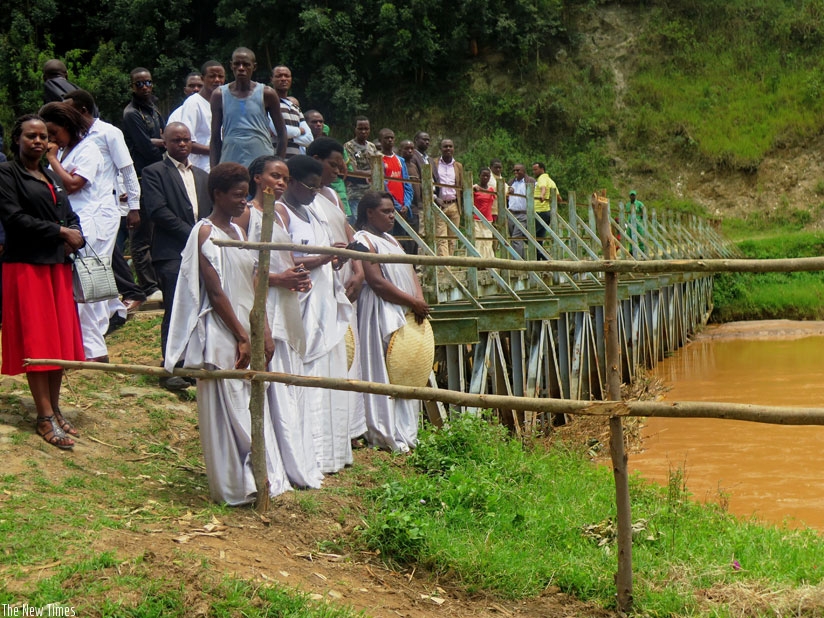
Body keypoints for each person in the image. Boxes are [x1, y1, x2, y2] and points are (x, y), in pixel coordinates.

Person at [164, 162, 291, 505]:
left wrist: (262, 329)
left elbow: (252, 284)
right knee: (228, 409)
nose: (242, 201)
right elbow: (216, 291)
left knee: (249, 404)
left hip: (245, 327)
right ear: (217, 194)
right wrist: (241, 335)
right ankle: (235, 486)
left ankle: (256, 478)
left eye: (244, 195)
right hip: (222, 332)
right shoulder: (205, 233)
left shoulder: (238, 233)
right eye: (236, 195)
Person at [0, 115, 86, 449]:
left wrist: (75, 231)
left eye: (44, 136)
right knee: (39, 341)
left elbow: (66, 212)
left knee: (58, 341)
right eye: (31, 136)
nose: (38, 141)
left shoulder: (50, 175)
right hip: (26, 266)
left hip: (56, 265)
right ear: (17, 139)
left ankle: (55, 407)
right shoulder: (7, 174)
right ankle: (44, 415)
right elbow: (14, 217)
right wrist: (59, 232)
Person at [243, 155, 322, 489]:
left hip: (286, 301)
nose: (280, 183)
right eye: (275, 176)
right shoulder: (247, 213)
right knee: (269, 378)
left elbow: (287, 257)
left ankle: (295, 457)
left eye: (285, 178)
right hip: (264, 302)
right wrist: (279, 279)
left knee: (288, 378)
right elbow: (246, 268)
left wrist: (298, 277)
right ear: (258, 177)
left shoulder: (280, 213)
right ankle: (270, 459)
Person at [278, 155, 354, 474]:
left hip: (323, 299)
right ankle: (307, 450)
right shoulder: (280, 212)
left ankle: (330, 450)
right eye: (310, 186)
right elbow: (282, 260)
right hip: (298, 302)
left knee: (329, 371)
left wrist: (332, 257)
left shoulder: (313, 210)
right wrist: (323, 257)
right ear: (292, 182)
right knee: (305, 371)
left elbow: (319, 252)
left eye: (319, 187)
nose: (314, 192)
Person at [354, 191, 430, 453]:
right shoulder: (362, 241)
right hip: (380, 309)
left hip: (405, 310)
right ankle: (384, 430)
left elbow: (410, 271)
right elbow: (376, 282)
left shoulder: (391, 240)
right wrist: (412, 302)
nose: (391, 216)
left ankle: (407, 430)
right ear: (369, 213)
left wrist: (417, 300)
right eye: (386, 211)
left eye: (392, 211)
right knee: (383, 366)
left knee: (405, 366)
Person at [40, 102, 116, 363]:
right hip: (74, 224)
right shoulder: (65, 153)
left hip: (91, 224)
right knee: (78, 288)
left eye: (53, 132)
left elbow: (72, 184)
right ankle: (84, 347)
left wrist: (50, 160)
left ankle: (95, 351)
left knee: (88, 286)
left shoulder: (89, 150)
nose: (50, 139)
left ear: (69, 127)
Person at [141, 123, 212, 391]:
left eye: (186, 140)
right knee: (175, 308)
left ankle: (192, 364)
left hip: (202, 252)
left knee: (199, 306)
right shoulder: (154, 172)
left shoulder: (204, 176)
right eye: (176, 140)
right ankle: (170, 365)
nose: (182, 144)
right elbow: (157, 211)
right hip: (172, 251)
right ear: (165, 143)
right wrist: (195, 234)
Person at [306, 137, 367, 444]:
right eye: (332, 164)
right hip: (319, 278)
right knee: (326, 344)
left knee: (348, 343)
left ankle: (350, 426)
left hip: (344, 276)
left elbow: (347, 233)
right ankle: (323, 426)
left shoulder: (332, 196)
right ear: (314, 158)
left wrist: (358, 271)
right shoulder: (298, 200)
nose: (338, 171)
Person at [62, 89, 144, 318]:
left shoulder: (108, 133)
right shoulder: (73, 138)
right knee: (95, 265)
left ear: (82, 110)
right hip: (81, 209)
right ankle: (112, 311)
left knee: (96, 264)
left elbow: (127, 170)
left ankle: (102, 318)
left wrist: (134, 207)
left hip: (105, 209)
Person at [123, 67, 164, 301]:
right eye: (139, 84)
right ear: (132, 86)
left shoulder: (154, 109)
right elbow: (146, 147)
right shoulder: (131, 113)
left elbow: (161, 135)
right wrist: (163, 142)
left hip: (155, 174)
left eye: (148, 82)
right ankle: (148, 287)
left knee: (156, 231)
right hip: (139, 177)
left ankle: (158, 281)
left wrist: (161, 140)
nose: (145, 87)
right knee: (140, 235)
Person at [210, 47, 286, 168]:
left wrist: (278, 165)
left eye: (246, 65)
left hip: (261, 163)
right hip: (230, 161)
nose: (241, 68)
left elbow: (282, 133)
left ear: (254, 67)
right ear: (231, 66)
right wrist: (213, 171)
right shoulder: (219, 95)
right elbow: (215, 138)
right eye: (237, 64)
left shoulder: (267, 94)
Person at [178, 61, 225, 173]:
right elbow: (188, 143)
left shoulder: (226, 101)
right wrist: (216, 150)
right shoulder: (193, 103)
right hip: (202, 167)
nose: (217, 80)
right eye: (212, 76)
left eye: (220, 76)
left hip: (224, 163)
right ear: (203, 79)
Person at [377, 129, 415, 253]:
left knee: (402, 240)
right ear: (380, 141)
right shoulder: (379, 160)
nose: (389, 140)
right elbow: (383, 186)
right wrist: (396, 205)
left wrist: (406, 204)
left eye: (392, 138)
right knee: (388, 238)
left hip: (403, 208)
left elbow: (407, 184)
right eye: (386, 138)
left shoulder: (400, 160)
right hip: (389, 207)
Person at [271, 66, 312, 158]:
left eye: (287, 76)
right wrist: (299, 131)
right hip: (273, 159)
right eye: (279, 76)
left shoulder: (295, 107)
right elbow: (276, 130)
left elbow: (309, 139)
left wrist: (288, 138)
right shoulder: (268, 103)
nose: (283, 79)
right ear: (271, 79)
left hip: (294, 162)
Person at [432, 138, 464, 256]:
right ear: (441, 149)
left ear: (453, 148)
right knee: (441, 237)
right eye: (445, 146)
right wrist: (434, 197)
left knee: (452, 239)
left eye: (450, 146)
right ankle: (444, 268)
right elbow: (430, 181)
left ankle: (450, 265)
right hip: (440, 205)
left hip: (454, 205)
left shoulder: (458, 166)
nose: (448, 149)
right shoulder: (434, 163)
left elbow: (462, 185)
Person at [343, 116, 378, 214]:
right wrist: (373, 173)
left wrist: (375, 172)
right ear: (355, 129)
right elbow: (352, 170)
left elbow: (379, 167)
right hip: (355, 194)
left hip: (371, 193)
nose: (363, 132)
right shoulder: (348, 146)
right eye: (360, 129)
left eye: (366, 129)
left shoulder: (372, 146)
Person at [507, 164, 535, 258]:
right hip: (511, 213)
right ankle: (521, 260)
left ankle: (517, 262)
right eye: (514, 170)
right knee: (514, 238)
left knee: (516, 237)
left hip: (523, 214)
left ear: (523, 171)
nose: (516, 172)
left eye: (518, 170)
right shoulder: (511, 182)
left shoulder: (530, 181)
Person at [532, 162, 558, 258]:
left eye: (536, 169)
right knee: (539, 238)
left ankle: (544, 255)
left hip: (540, 212)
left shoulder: (542, 178)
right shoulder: (551, 181)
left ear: (542, 169)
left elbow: (543, 188)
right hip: (547, 212)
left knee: (526, 236)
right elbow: (558, 197)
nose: (534, 172)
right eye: (533, 170)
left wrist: (542, 195)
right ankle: (539, 259)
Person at [472, 168, 496, 259]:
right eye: (483, 175)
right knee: (478, 240)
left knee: (488, 240)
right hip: (476, 219)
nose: (485, 177)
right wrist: (473, 189)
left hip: (488, 219)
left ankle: (488, 261)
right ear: (479, 176)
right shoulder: (474, 188)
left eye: (487, 176)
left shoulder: (491, 189)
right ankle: (477, 261)